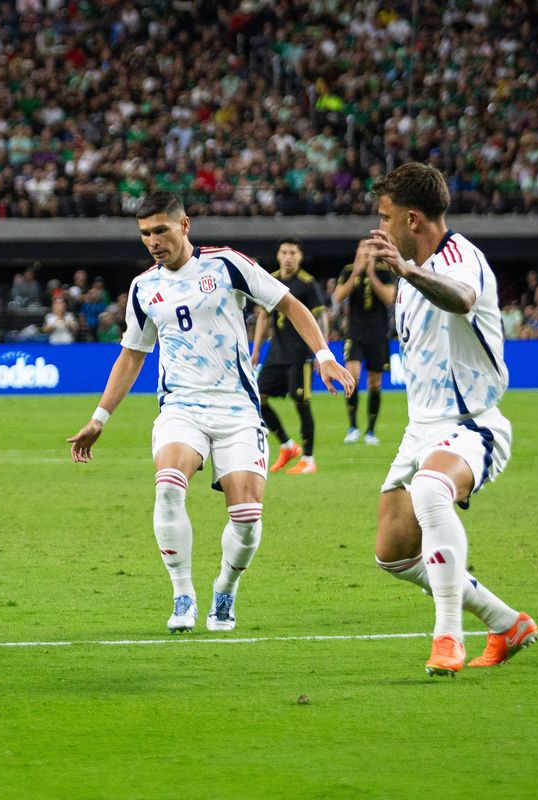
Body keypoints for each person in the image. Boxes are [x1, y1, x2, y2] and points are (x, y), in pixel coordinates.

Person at [68, 193, 354, 633]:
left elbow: (289, 304)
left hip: (238, 408)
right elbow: (131, 355)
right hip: (181, 406)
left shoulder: (225, 265)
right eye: (145, 234)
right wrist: (99, 418)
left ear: (185, 225)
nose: (153, 241)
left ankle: (225, 588)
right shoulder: (144, 288)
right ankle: (183, 595)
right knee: (167, 485)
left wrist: (323, 354)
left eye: (160, 230)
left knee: (247, 517)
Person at [366, 162, 537, 677]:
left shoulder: (462, 259)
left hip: (473, 422)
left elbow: (462, 298)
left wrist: (408, 271)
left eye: (387, 216)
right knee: (393, 553)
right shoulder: (410, 277)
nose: (381, 227)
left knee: (431, 490)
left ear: (413, 220)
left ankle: (447, 636)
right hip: (420, 428)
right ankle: (505, 622)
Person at [251, 240, 328, 475]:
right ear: (278, 255)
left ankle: (308, 458)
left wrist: (321, 352)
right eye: (284, 252)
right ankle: (287, 445)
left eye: (293, 253)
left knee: (301, 403)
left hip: (301, 355)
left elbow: (321, 317)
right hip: (276, 353)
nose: (288, 257)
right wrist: (255, 351)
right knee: (258, 398)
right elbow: (263, 317)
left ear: (300, 257)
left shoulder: (307, 283)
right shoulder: (270, 280)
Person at [332, 238, 396, 445]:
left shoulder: (384, 271)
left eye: (370, 251)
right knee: (353, 376)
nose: (367, 254)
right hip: (354, 334)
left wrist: (370, 274)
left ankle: (370, 431)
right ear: (357, 252)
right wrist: (356, 274)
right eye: (363, 250)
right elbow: (339, 296)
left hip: (378, 335)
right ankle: (352, 427)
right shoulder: (348, 270)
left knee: (374, 383)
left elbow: (389, 298)